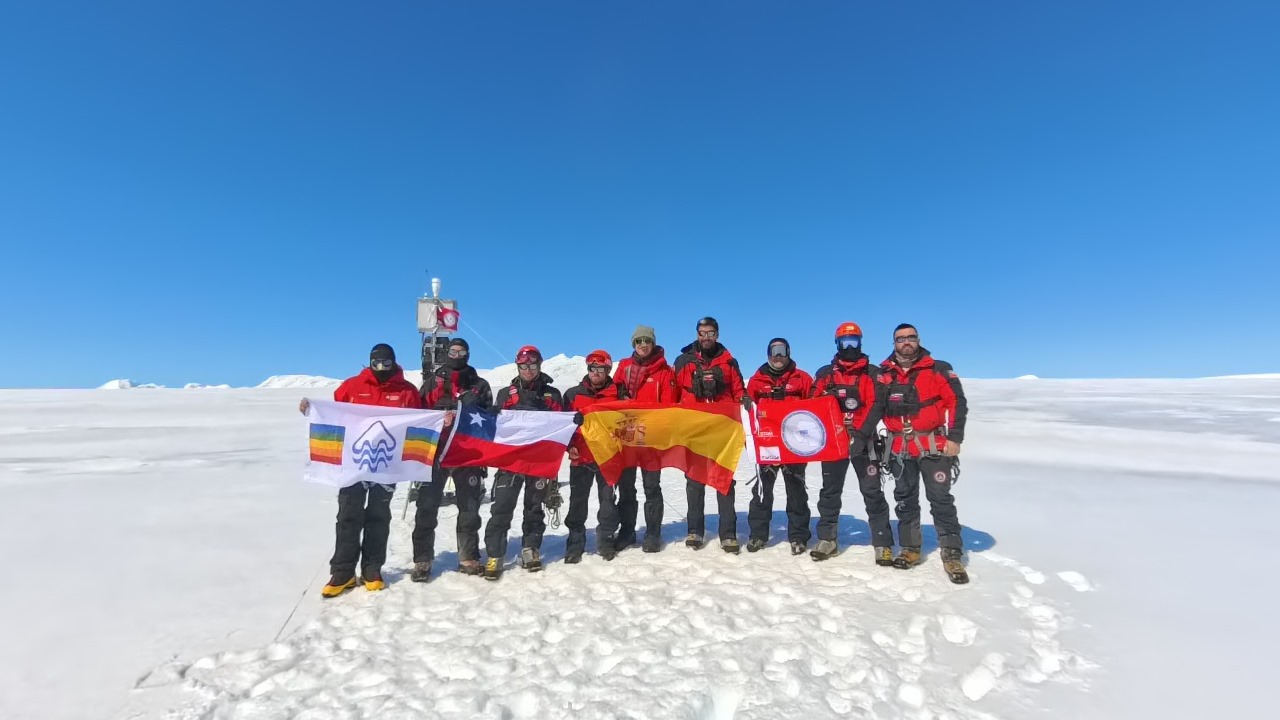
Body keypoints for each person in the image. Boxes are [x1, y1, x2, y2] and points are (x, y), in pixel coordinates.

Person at [299, 343, 422, 598]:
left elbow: (418, 422)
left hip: (386, 464)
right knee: (348, 514)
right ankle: (342, 572)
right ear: (369, 362)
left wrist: (437, 422)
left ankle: (372, 569)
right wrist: (311, 409)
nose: (381, 368)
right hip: (353, 463)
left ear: (394, 362)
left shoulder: (407, 391)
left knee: (378, 515)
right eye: (376, 363)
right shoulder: (352, 386)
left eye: (386, 363)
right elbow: (333, 415)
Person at [879, 323, 970, 584]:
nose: (906, 342)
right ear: (894, 343)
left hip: (933, 445)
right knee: (905, 499)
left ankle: (951, 552)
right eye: (901, 339)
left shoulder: (938, 369)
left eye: (911, 337)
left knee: (940, 498)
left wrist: (955, 438)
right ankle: (910, 548)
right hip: (899, 447)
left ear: (918, 340)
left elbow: (957, 402)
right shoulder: (884, 374)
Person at [410, 338, 493, 582]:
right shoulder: (432, 383)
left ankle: (468, 556)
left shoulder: (479, 385)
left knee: (469, 507)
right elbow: (417, 416)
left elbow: (489, 421)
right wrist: (439, 416)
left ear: (468, 354)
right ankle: (422, 559)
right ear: (447, 353)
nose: (457, 356)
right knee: (426, 506)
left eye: (461, 352)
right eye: (453, 351)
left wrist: (484, 412)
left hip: (468, 454)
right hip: (436, 453)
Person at [483, 345, 565, 580]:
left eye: (532, 365)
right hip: (511, 461)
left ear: (539, 366)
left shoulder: (552, 395)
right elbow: (495, 429)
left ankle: (531, 548)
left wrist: (573, 421)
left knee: (534, 508)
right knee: (501, 508)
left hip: (539, 461)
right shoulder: (506, 394)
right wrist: (492, 415)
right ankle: (495, 554)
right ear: (517, 366)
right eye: (524, 366)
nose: (528, 370)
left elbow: (561, 423)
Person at [809, 322, 887, 563]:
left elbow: (877, 405)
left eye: (854, 341)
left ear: (861, 342)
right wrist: (826, 398)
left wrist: (861, 435)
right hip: (834, 442)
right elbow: (812, 403)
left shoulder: (872, 373)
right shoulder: (826, 374)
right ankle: (827, 539)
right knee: (830, 491)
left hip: (865, 441)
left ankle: (882, 542)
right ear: (837, 344)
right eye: (845, 342)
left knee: (872, 491)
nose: (850, 347)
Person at [673, 316, 748, 553]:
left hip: (721, 430)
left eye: (710, 333)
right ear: (697, 334)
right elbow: (673, 396)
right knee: (694, 480)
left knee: (723, 479)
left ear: (717, 334)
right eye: (702, 333)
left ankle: (728, 533)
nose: (706, 337)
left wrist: (744, 404)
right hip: (693, 429)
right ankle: (695, 530)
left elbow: (739, 391)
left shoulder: (729, 362)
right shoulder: (683, 361)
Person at [612, 325, 680, 553]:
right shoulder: (624, 367)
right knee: (626, 486)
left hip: (651, 438)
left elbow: (669, 404)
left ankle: (653, 533)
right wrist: (620, 396)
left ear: (653, 343)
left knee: (651, 487)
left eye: (647, 340)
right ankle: (627, 531)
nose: (643, 344)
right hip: (627, 436)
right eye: (639, 341)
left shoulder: (664, 371)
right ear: (634, 343)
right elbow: (612, 394)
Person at [745, 338, 814, 555]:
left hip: (794, 445)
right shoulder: (757, 381)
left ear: (788, 353)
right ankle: (758, 535)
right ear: (768, 353)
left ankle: (799, 536)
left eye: (782, 351)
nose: (778, 355)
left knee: (796, 492)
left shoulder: (802, 379)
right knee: (762, 491)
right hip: (767, 445)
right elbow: (747, 412)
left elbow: (815, 408)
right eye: (774, 351)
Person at [562, 350, 629, 562]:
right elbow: (563, 426)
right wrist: (569, 447)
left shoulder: (618, 393)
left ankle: (606, 541)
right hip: (580, 457)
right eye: (593, 368)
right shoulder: (572, 394)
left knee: (608, 501)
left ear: (608, 370)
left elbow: (628, 421)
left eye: (601, 369)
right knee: (577, 502)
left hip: (607, 457)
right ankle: (575, 544)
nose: (596, 373)